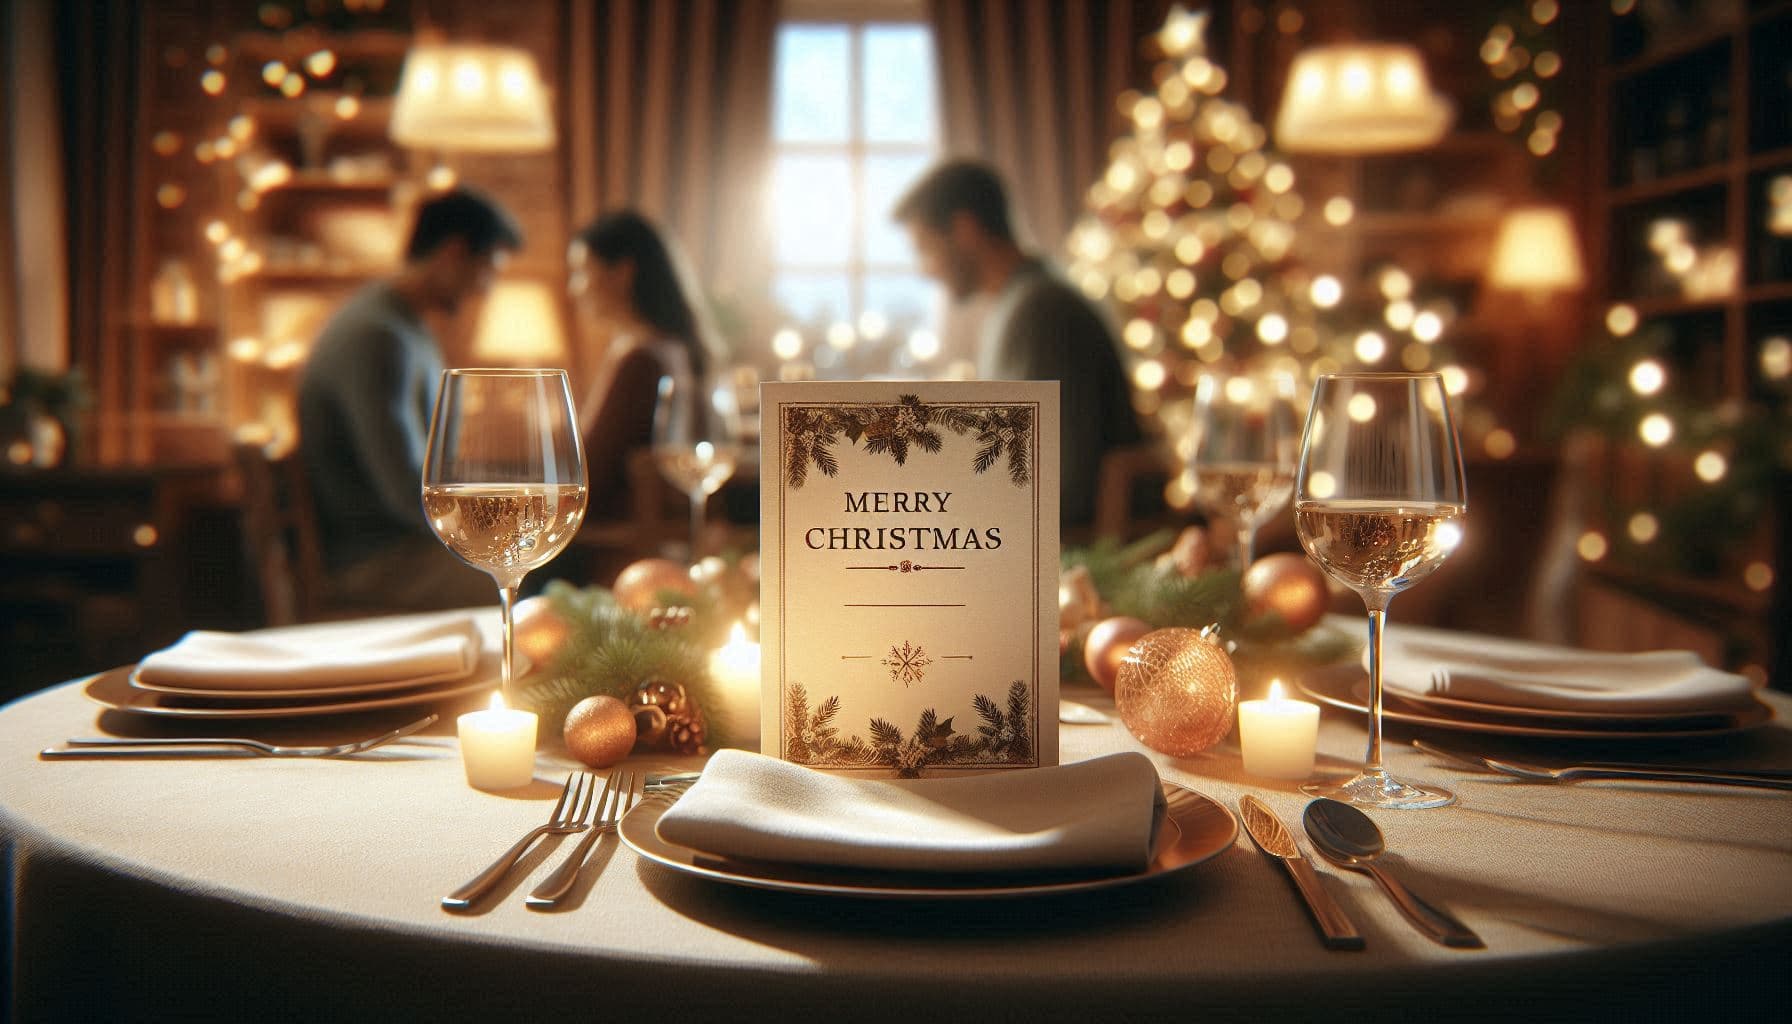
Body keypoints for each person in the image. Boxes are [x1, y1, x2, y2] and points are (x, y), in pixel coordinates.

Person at [297, 186, 523, 610]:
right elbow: (408, 492)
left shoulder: (404, 327)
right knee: (545, 574)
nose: (486, 288)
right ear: (454, 252)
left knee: (536, 561)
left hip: (398, 551)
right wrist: (502, 534)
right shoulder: (378, 336)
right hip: (376, 564)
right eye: (489, 268)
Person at [893, 159, 1141, 529]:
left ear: (964, 230)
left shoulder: (1039, 310)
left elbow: (1056, 481)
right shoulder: (1021, 302)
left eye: (926, 249)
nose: (925, 270)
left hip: (1065, 551)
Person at [566, 210, 719, 523]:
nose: (575, 287)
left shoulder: (640, 361)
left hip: (608, 544)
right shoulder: (672, 348)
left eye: (583, 271)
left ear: (622, 272)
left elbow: (587, 477)